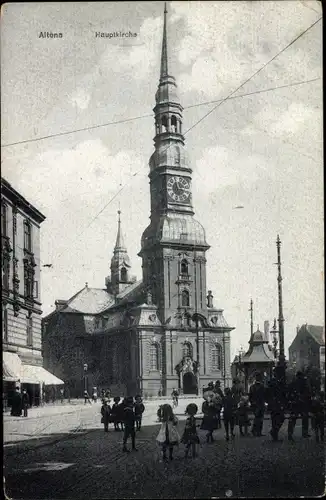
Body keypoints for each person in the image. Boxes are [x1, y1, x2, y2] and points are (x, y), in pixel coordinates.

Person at [287, 371, 311, 441]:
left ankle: (290, 434)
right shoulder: (304, 382)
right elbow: (308, 392)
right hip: (302, 403)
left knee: (293, 419)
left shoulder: (293, 383)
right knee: (304, 418)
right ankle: (304, 433)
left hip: (296, 403)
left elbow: (289, 392)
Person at [266, 374, 286, 442]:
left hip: (274, 405)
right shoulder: (275, 384)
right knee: (278, 419)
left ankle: (274, 433)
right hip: (276, 405)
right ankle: (274, 434)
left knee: (276, 420)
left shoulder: (274, 384)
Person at [249, 372, 266, 437]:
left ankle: (257, 431)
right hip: (257, 405)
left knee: (259, 418)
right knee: (258, 418)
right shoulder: (255, 387)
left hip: (259, 404)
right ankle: (256, 431)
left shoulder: (255, 387)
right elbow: (251, 396)